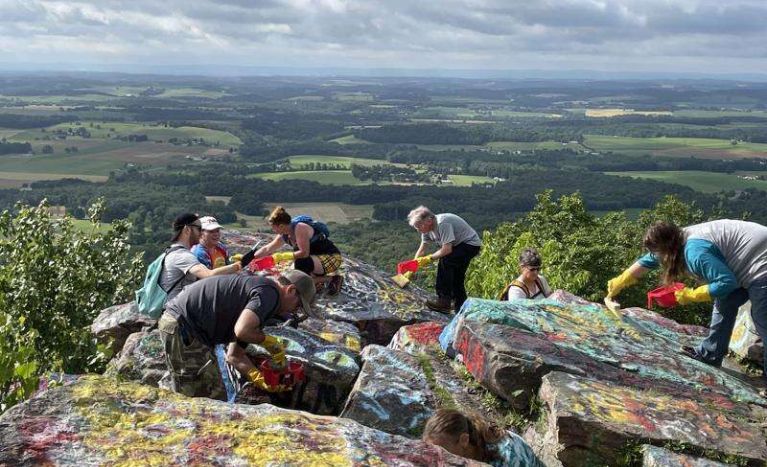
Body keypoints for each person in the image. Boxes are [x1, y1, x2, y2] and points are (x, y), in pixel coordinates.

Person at [606, 219, 767, 383]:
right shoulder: (675, 239)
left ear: (667, 250)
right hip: (748, 260)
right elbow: (647, 261)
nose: (658, 257)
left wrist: (689, 295)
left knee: (762, 319)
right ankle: (710, 354)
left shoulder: (695, 252)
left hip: (761, 263)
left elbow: (726, 283)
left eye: (659, 253)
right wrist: (620, 281)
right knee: (724, 303)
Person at [158, 270, 316, 400]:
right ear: (291, 290)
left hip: (189, 328)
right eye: (299, 305)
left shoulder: (259, 302)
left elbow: (234, 356)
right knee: (195, 395)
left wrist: (259, 378)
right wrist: (269, 342)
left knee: (216, 394)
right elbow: (242, 330)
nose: (295, 311)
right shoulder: (270, 293)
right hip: (183, 325)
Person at [247, 206, 344, 295]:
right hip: (315, 260)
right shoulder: (284, 234)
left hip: (330, 258)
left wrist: (282, 256)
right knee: (288, 276)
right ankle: (316, 282)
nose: (273, 230)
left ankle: (332, 279)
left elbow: (304, 253)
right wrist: (249, 258)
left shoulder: (300, 228)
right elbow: (267, 248)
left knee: (299, 269)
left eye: (273, 227)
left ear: (281, 226)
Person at [408, 206, 482, 312]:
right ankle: (461, 308)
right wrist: (413, 267)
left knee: (445, 261)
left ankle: (444, 301)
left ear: (429, 221)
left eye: (419, 226)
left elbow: (447, 249)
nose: (418, 230)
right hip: (458, 245)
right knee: (457, 279)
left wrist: (429, 258)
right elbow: (421, 250)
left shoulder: (442, 223)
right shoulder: (426, 231)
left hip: (470, 244)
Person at [161, 213, 244, 301]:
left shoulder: (176, 251)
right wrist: (238, 265)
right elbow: (208, 275)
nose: (201, 233)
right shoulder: (182, 255)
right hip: (177, 309)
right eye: (199, 229)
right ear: (187, 230)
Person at [422, 409, 542, 466]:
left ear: (464, 440)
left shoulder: (506, 458)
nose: (436, 456)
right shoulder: (474, 440)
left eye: (441, 451)